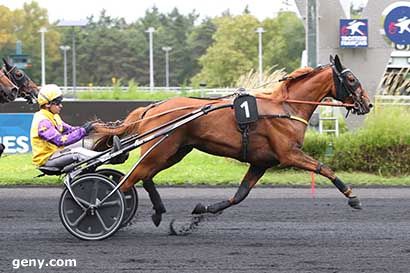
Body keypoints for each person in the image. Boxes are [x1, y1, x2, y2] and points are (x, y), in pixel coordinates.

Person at [30, 84, 98, 169]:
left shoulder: (54, 116)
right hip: (47, 159)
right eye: (58, 103)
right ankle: (105, 157)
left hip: (56, 152)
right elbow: (60, 141)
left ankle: (93, 167)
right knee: (78, 152)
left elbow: (70, 130)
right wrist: (83, 131)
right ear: (47, 104)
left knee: (88, 143)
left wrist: (85, 128)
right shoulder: (43, 121)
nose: (61, 106)